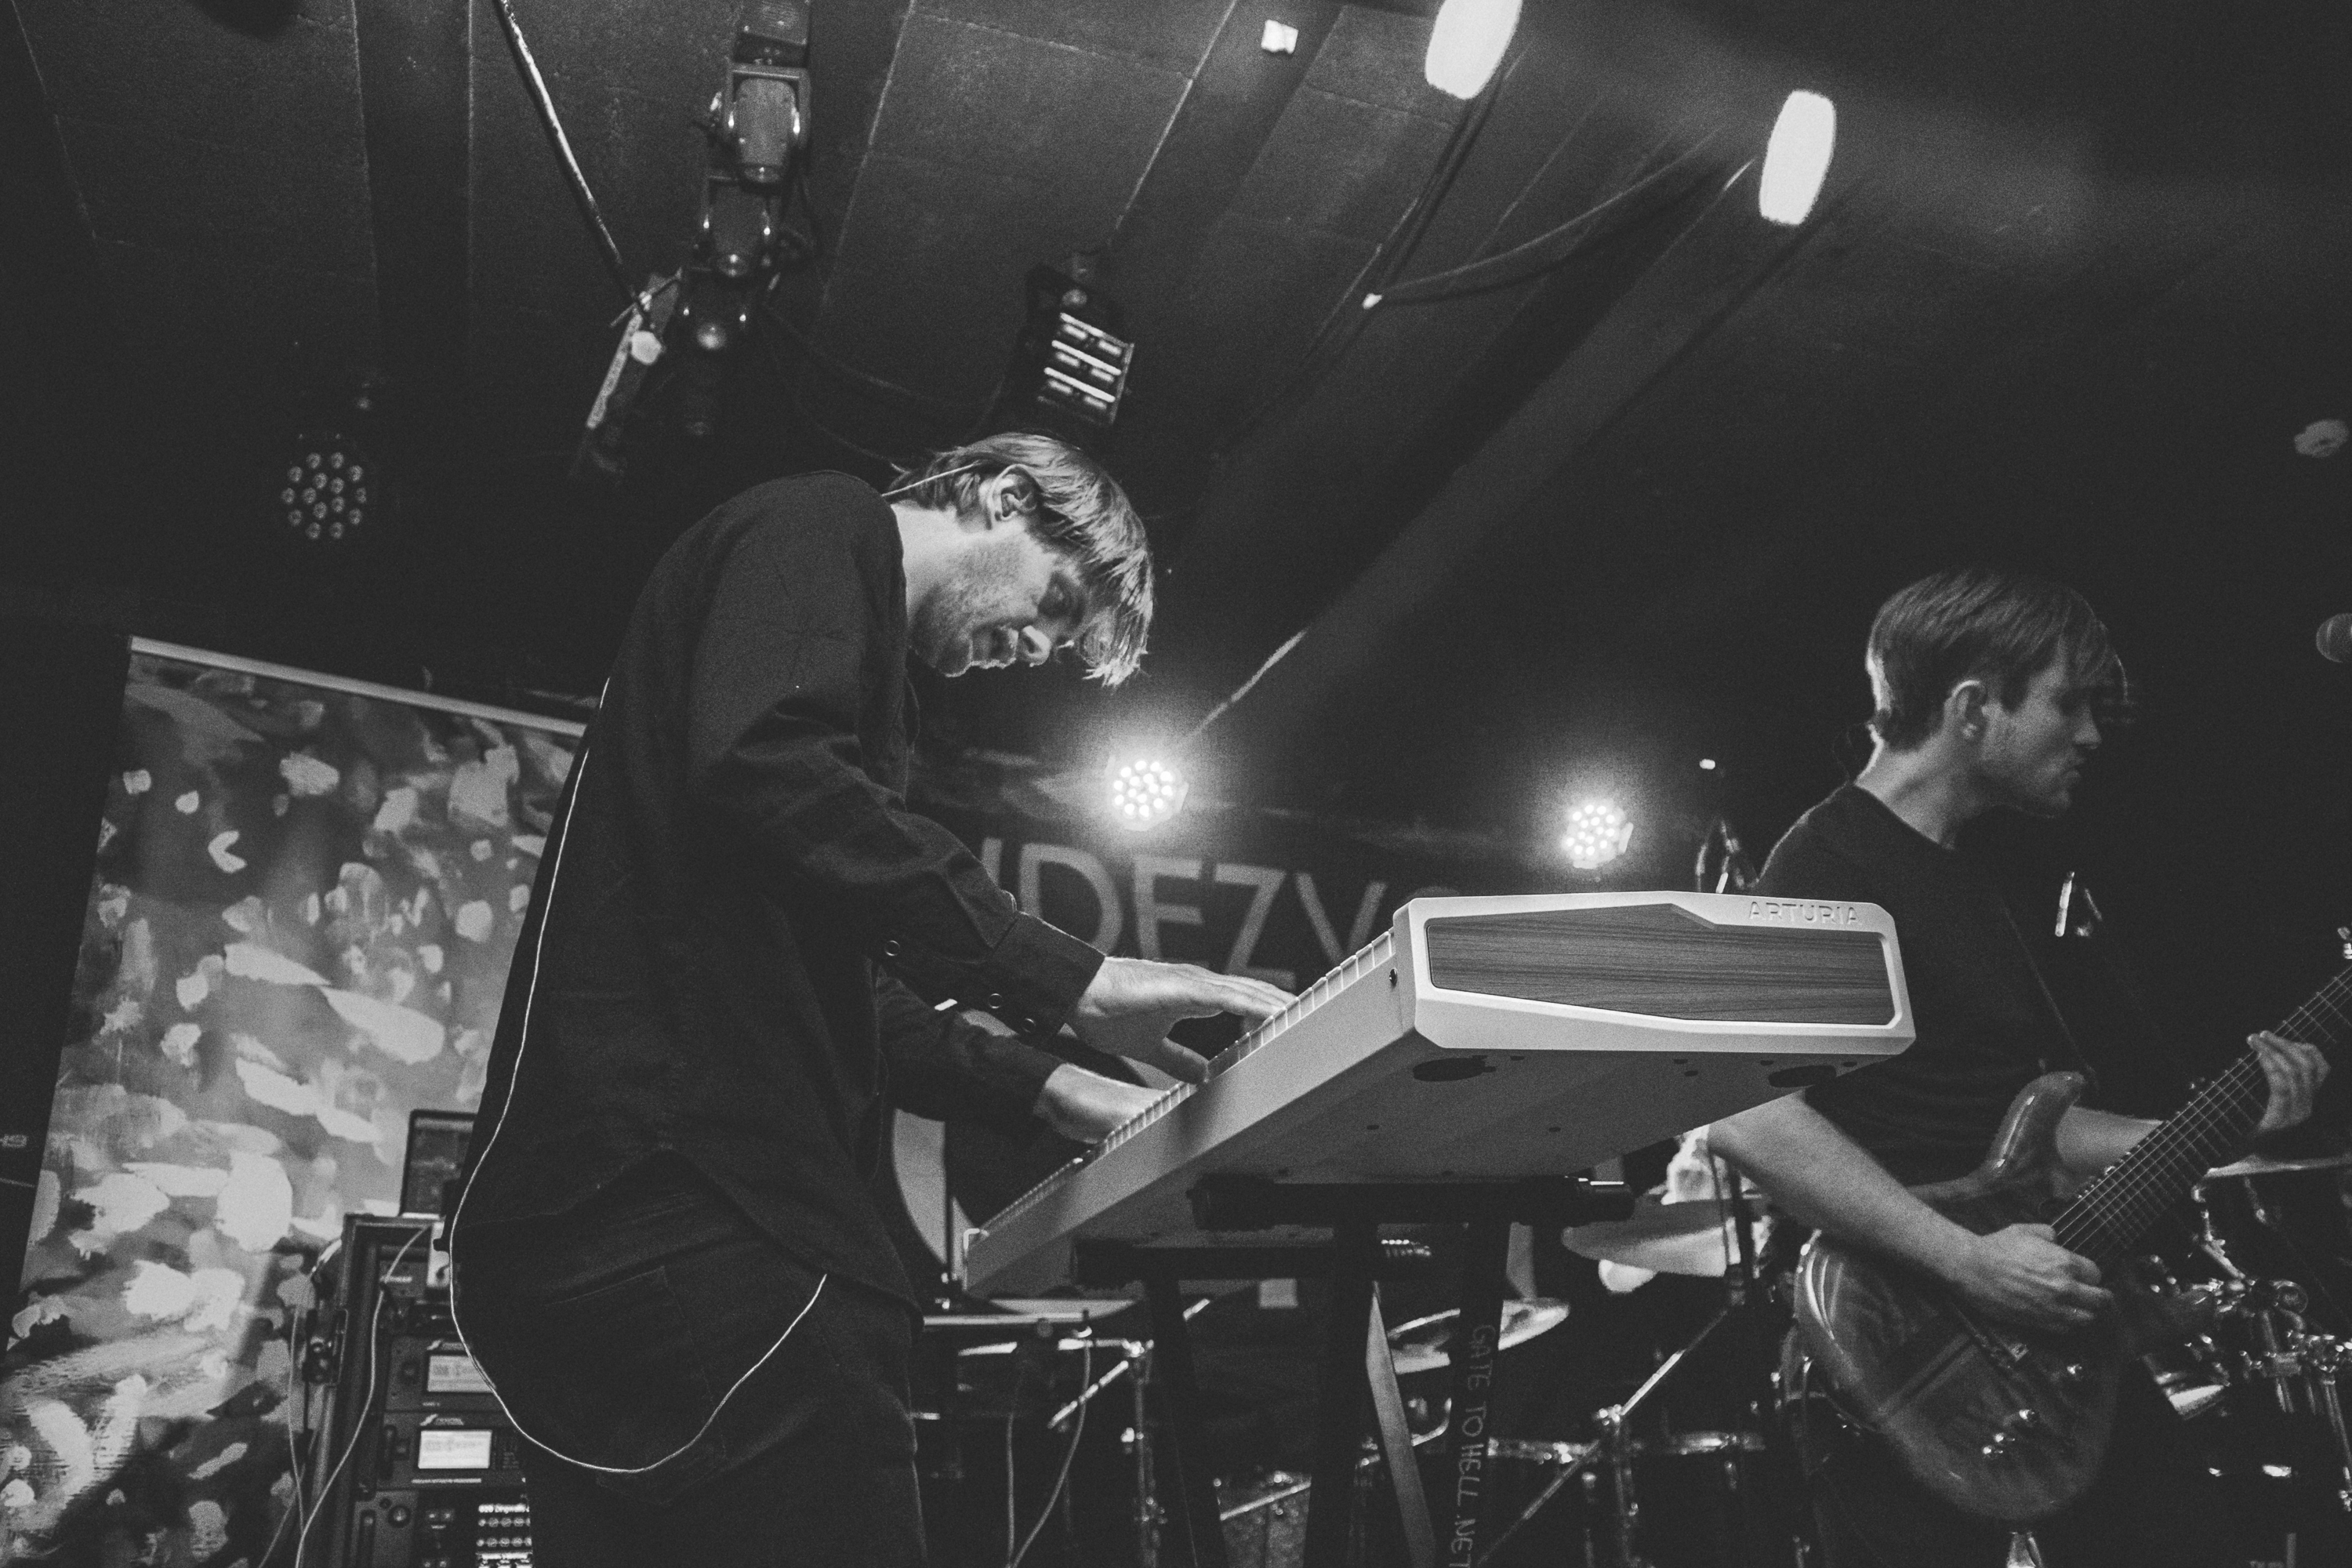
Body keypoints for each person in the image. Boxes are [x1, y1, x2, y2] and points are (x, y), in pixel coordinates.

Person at [448, 434, 1293, 1567]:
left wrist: (1052, 1087)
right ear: (1004, 496)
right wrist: (1069, 974)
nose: (1033, 648)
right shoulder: (824, 523)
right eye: (1054, 601)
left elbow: (846, 995)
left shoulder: (851, 697)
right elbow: (765, 763)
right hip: (691, 1201)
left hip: (591, 1238)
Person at [1708, 566, 2328, 1567]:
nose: (2090, 733)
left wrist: (2222, 1126)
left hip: (2037, 1325)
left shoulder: (1970, 872)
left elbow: (2022, 1122)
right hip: (1906, 1348)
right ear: (1970, 708)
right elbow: (1746, 1115)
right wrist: (1967, 1260)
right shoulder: (1828, 867)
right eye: (2066, 702)